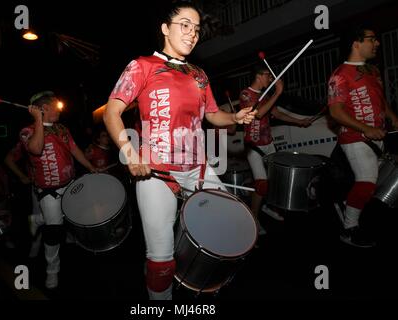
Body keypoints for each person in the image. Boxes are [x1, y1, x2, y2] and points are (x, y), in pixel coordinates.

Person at [103, 1, 256, 300]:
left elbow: (213, 115)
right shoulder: (142, 66)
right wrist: (130, 154)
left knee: (227, 230)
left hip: (199, 169)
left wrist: (235, 116)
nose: (192, 34)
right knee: (160, 259)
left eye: (196, 29)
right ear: (165, 28)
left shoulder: (199, 74)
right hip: (157, 174)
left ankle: (200, 281)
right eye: (184, 25)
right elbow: (112, 112)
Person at [328, 25, 398, 248]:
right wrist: (364, 128)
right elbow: (335, 112)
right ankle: (349, 229)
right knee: (367, 182)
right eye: (372, 39)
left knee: (377, 181)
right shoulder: (339, 76)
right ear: (355, 43)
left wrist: (392, 116)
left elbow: (380, 100)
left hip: (377, 134)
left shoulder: (373, 71)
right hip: (354, 136)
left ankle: (350, 203)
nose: (376, 43)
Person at [20, 90, 97, 289]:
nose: (60, 110)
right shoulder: (27, 131)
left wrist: (89, 166)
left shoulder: (62, 128)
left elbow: (74, 149)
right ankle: (52, 271)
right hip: (49, 191)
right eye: (56, 106)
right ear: (44, 108)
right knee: (53, 231)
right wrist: (38, 120)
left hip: (69, 184)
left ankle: (37, 219)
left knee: (72, 217)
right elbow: (36, 149)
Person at [239, 63, 312, 234]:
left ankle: (268, 207)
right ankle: (254, 219)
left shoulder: (265, 95)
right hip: (254, 145)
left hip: (268, 143)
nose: (271, 79)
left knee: (277, 180)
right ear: (259, 76)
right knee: (262, 183)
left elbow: (277, 114)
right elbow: (258, 113)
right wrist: (278, 92)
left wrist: (299, 121)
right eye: (268, 76)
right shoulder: (246, 94)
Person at [4, 141, 43, 258]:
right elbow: (8, 159)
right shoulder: (28, 138)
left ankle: (68, 239)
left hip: (62, 183)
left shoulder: (58, 133)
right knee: (41, 217)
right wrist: (22, 176)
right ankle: (34, 249)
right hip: (40, 186)